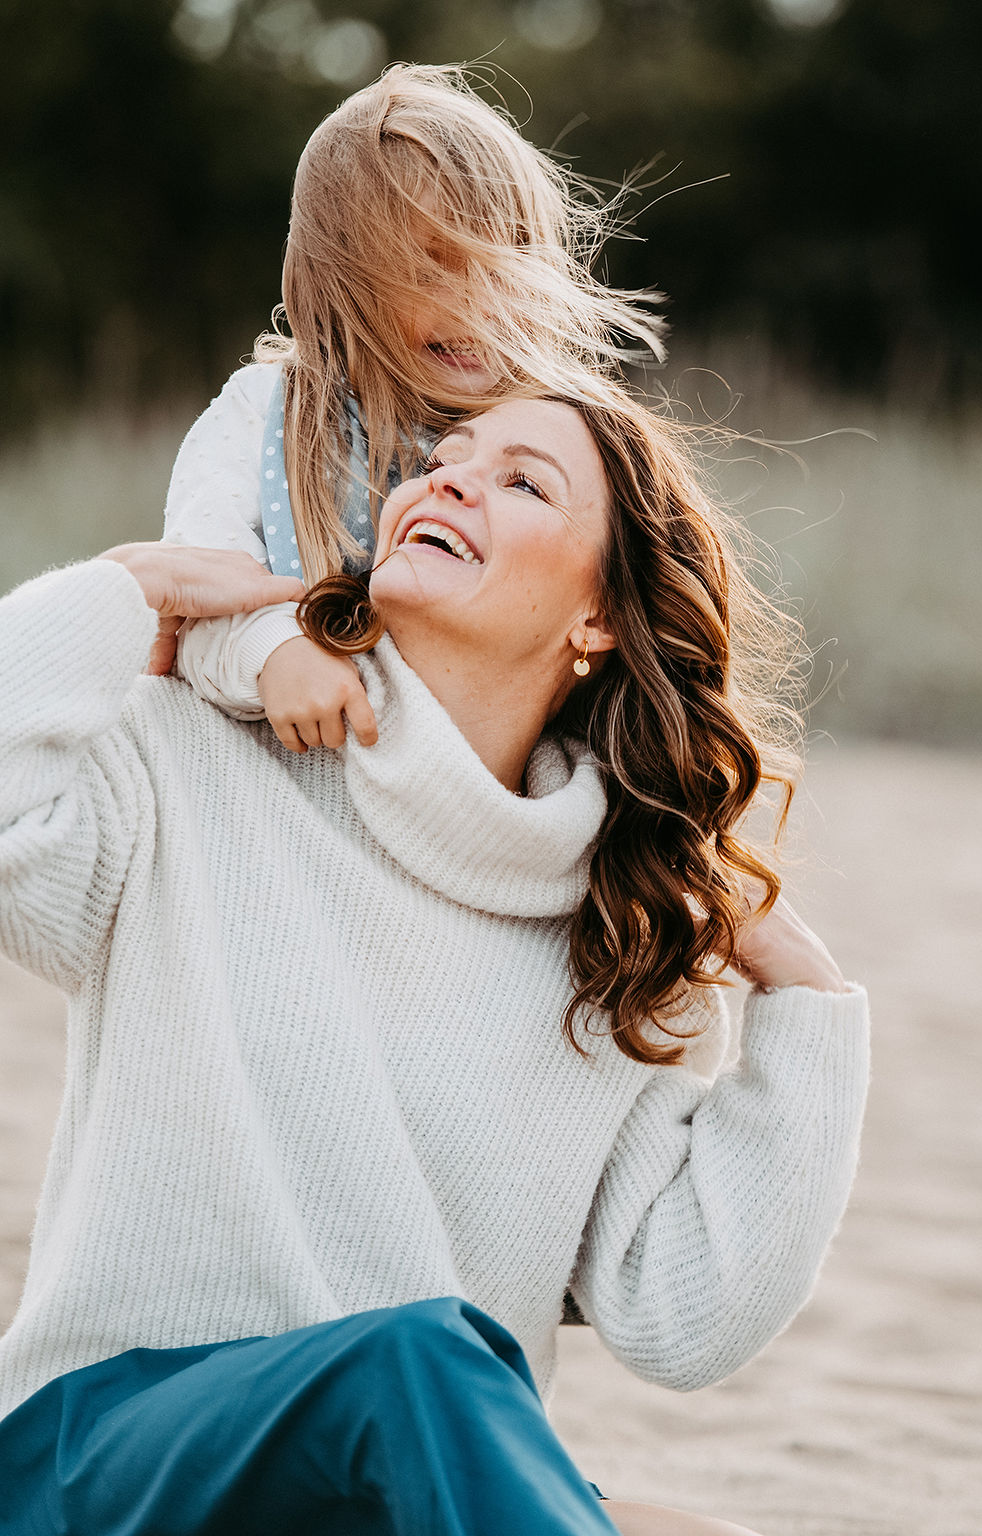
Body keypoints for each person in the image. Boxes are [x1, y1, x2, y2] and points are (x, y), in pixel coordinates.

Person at [0, 392, 869, 1535]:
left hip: (381, 1488)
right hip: (102, 1460)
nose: (448, 479)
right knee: (421, 1361)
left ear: (601, 616)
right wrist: (129, 587)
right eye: (444, 459)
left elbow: (686, 1318)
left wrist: (809, 999)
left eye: (522, 481)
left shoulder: (610, 942)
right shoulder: (189, 760)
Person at [162, 60, 664, 749]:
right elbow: (193, 588)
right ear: (338, 283)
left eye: (504, 267)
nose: (478, 306)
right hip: (273, 771)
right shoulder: (270, 415)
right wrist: (271, 652)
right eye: (430, 269)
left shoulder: (526, 433)